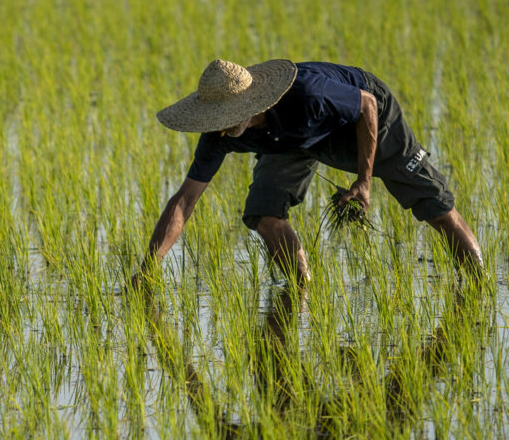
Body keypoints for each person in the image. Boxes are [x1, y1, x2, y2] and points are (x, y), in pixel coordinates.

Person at [136, 58, 483, 285]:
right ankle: (301, 287)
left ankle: (479, 286)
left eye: (225, 120)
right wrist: (148, 269)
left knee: (434, 204)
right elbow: (185, 200)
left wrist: (363, 182)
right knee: (264, 213)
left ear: (249, 108)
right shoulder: (219, 135)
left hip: (362, 120)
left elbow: (366, 105)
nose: (220, 130)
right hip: (290, 139)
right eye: (214, 122)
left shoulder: (307, 94)